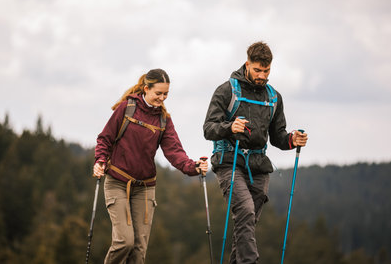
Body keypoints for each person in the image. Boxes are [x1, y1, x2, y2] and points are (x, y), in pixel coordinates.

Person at [203, 41, 308, 263]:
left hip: (259, 166)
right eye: (257, 70)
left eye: (266, 70)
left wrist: (293, 139)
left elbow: (279, 137)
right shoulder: (226, 90)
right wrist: (229, 127)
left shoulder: (274, 97)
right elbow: (208, 129)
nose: (262, 75)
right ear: (247, 64)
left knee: (246, 223)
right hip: (229, 161)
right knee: (246, 212)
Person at [93, 68, 208, 264]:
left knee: (139, 251)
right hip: (117, 183)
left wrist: (193, 166)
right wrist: (100, 161)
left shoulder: (164, 119)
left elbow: (175, 152)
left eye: (166, 94)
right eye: (158, 93)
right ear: (146, 88)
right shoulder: (127, 108)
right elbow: (105, 138)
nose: (162, 98)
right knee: (124, 242)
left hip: (145, 188)